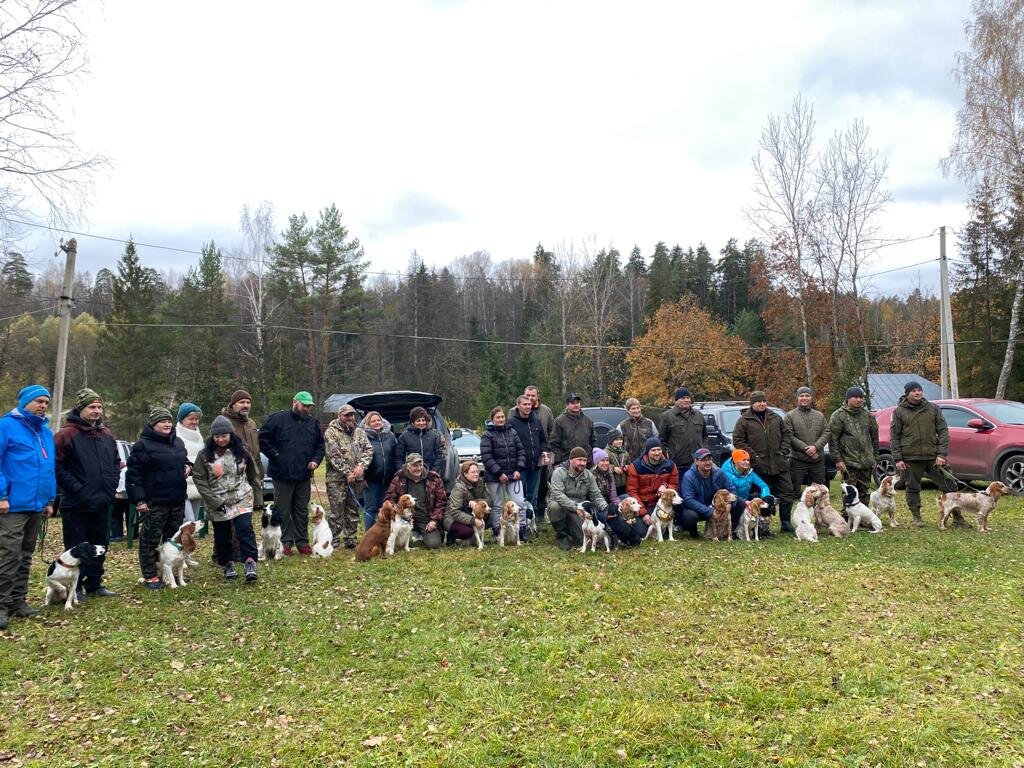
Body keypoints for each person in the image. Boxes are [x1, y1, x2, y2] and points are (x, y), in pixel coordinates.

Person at [55, 388, 120, 599]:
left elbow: (115, 463)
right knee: (76, 547)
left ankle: (95, 583)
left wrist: (110, 487)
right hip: (76, 503)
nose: (97, 411)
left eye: (100, 407)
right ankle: (76, 587)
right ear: (81, 408)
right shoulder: (66, 434)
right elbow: (58, 467)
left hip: (102, 500)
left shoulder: (107, 434)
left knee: (100, 545)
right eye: (92, 407)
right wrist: (77, 488)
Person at [0, 385, 56, 629]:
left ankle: (17, 601)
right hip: (11, 505)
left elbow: (48, 467)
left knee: (25, 554)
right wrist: (1, 495)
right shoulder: (6, 426)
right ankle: (1, 605)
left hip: (37, 504)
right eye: (38, 401)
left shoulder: (45, 432)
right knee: (8, 555)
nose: (43, 406)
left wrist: (50, 499)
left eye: (46, 402)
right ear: (25, 401)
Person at [192, 415, 262, 581]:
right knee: (222, 535)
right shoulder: (205, 455)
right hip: (218, 500)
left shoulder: (242, 450)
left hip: (241, 496)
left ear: (230, 434)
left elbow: (253, 474)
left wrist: (258, 497)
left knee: (245, 529)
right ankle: (227, 564)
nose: (221, 439)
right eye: (217, 436)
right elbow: (199, 478)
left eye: (224, 435)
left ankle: (250, 562)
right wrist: (213, 501)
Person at [126, 407, 191, 589]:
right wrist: (139, 500)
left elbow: (185, 460)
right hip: (154, 503)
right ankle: (150, 575)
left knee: (172, 540)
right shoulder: (142, 445)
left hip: (177, 499)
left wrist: (188, 467)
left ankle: (171, 574)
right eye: (163, 421)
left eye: (169, 421)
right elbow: (134, 475)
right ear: (153, 424)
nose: (167, 424)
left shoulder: (177, 442)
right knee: (150, 541)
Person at [258, 391, 325, 556]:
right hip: (282, 473)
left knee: (301, 509)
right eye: (304, 405)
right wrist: (276, 455)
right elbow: (263, 439)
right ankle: (285, 542)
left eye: (309, 406)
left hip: (303, 474)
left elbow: (320, 446)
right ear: (294, 402)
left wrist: (316, 460)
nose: (307, 409)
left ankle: (302, 541)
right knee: (282, 509)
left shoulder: (313, 424)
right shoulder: (277, 420)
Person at [890, 380, 959, 528]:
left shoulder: (933, 408)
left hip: (933, 456)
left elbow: (943, 431)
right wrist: (898, 458)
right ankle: (916, 518)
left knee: (949, 485)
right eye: (913, 391)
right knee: (913, 487)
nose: (917, 393)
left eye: (919, 390)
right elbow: (895, 436)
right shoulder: (899, 412)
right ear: (907, 394)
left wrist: (941, 454)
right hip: (910, 457)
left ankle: (958, 517)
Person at [732, 391, 795, 533]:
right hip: (759, 465)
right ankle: (763, 526)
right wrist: (754, 457)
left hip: (779, 462)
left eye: (764, 401)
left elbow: (786, 433)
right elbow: (738, 441)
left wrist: (784, 450)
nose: (761, 404)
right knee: (763, 496)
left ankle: (785, 522)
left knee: (787, 493)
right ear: (752, 403)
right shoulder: (744, 420)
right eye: (758, 401)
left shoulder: (775, 417)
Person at [323, 404, 372, 549]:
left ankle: (350, 538)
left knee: (353, 509)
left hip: (357, 478)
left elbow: (369, 450)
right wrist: (347, 472)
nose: (350, 418)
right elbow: (333, 455)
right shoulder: (331, 432)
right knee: (337, 509)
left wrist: (361, 466)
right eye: (346, 415)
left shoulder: (359, 432)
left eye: (351, 415)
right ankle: (334, 538)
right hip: (336, 479)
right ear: (339, 416)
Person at [828, 386, 880, 514]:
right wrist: (837, 459)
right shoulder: (838, 416)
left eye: (861, 397)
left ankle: (863, 516)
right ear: (848, 399)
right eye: (856, 397)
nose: (859, 400)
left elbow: (874, 438)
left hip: (866, 461)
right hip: (848, 461)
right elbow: (833, 439)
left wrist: (875, 457)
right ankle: (847, 515)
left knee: (864, 491)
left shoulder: (867, 416)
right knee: (849, 490)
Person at [546, 446, 607, 551]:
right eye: (579, 460)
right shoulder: (559, 472)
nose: (582, 463)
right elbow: (558, 494)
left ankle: (571, 531)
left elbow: (596, 495)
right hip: (564, 506)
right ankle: (562, 536)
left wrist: (605, 508)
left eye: (584, 460)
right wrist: (575, 507)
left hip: (580, 509)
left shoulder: (588, 475)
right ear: (570, 460)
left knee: (586, 540)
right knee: (553, 507)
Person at [479, 406, 527, 536]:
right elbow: (486, 457)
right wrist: (499, 473)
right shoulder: (487, 435)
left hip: (514, 475)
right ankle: (497, 533)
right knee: (498, 505)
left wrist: (518, 469)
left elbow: (521, 452)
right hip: (495, 478)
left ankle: (521, 531)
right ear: (492, 419)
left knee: (519, 502)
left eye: (502, 417)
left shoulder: (512, 432)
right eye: (497, 417)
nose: (501, 419)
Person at [384, 453, 446, 550]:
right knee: (390, 534)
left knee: (434, 544)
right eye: (414, 466)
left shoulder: (433, 478)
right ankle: (407, 536)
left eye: (420, 465)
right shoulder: (399, 477)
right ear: (408, 466)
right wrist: (396, 510)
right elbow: (389, 498)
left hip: (425, 518)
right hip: (403, 517)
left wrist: (434, 520)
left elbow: (441, 502)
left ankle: (418, 534)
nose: (418, 468)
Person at [679, 448, 739, 539]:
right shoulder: (689, 476)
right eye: (703, 460)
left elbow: (732, 488)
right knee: (689, 516)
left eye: (709, 459)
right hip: (699, 510)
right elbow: (688, 500)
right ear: (696, 461)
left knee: (740, 503)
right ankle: (694, 533)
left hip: (717, 506)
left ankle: (728, 533)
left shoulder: (719, 472)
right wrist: (710, 512)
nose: (708, 463)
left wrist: (729, 505)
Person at [507, 394, 548, 515]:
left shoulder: (536, 421)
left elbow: (543, 441)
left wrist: (544, 450)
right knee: (520, 497)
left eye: (529, 404)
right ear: (518, 406)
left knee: (532, 496)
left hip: (536, 466)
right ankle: (520, 524)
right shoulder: (511, 423)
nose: (527, 407)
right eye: (524, 404)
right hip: (520, 468)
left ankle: (533, 525)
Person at [785, 386, 829, 493]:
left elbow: (827, 433)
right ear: (797, 398)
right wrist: (806, 449)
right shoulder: (789, 416)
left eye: (807, 395)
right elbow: (789, 436)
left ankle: (817, 509)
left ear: (811, 398)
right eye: (801, 396)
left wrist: (815, 447)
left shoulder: (820, 415)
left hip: (817, 459)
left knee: (819, 492)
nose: (804, 398)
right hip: (797, 460)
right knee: (794, 491)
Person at [659, 387, 707, 483]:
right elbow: (662, 440)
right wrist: (667, 458)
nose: (686, 400)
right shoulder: (667, 416)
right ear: (676, 401)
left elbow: (705, 436)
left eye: (688, 398)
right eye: (683, 398)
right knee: (681, 491)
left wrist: (703, 451)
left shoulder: (699, 415)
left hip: (697, 462)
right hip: (678, 463)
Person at [625, 436, 679, 517]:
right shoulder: (636, 466)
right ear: (647, 451)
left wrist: (666, 486)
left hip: (662, 500)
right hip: (644, 503)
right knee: (644, 528)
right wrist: (643, 513)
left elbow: (674, 485)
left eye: (659, 449)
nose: (657, 453)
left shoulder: (670, 465)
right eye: (653, 450)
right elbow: (632, 491)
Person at [720, 449, 772, 531]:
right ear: (735, 461)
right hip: (731, 501)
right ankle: (733, 529)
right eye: (743, 460)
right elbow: (726, 492)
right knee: (740, 504)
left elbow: (764, 486)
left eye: (748, 460)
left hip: (745, 499)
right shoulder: (725, 473)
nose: (747, 462)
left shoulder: (750, 473)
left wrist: (766, 498)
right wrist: (743, 502)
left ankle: (762, 529)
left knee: (765, 500)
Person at [525, 385, 556, 517]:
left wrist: (547, 448)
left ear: (538, 396)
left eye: (533, 395)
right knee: (527, 485)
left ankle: (540, 514)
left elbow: (552, 431)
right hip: (525, 455)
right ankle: (526, 514)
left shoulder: (546, 410)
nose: (530, 398)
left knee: (543, 484)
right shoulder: (514, 411)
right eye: (528, 395)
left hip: (543, 453)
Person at [362, 411, 396, 532]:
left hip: (388, 480)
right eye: (373, 421)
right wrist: (362, 477)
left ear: (382, 422)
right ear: (368, 423)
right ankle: (369, 535)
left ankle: (385, 534)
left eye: (378, 420)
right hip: (370, 480)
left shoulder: (391, 436)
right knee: (370, 509)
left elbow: (396, 455)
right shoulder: (362, 436)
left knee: (386, 508)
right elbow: (358, 458)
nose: (376, 423)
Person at [444, 460, 490, 545]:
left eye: (477, 471)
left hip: (470, 512)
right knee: (467, 532)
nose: (476, 474)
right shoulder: (458, 488)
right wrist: (473, 520)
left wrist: (476, 503)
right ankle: (452, 535)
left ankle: (476, 537)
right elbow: (455, 512)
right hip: (452, 517)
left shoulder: (480, 482)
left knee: (489, 516)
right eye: (473, 472)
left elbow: (489, 499)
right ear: (465, 474)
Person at [220, 390, 262, 480]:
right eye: (241, 402)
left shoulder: (251, 423)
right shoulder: (224, 422)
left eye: (248, 402)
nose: (245, 405)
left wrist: (260, 474)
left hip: (254, 475)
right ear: (233, 405)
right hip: (233, 476)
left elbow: (256, 452)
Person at [176, 402, 205, 524]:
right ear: (182, 419)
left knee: (194, 523)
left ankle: (188, 543)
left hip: (197, 482)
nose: (194, 422)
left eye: (197, 419)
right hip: (181, 484)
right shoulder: (175, 435)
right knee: (188, 521)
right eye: (191, 419)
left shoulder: (199, 436)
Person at [394, 406, 443, 475]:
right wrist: (404, 472)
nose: (421, 423)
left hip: (430, 473)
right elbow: (399, 458)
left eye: (423, 420)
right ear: (413, 422)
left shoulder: (433, 435)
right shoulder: (404, 436)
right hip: (411, 475)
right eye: (418, 420)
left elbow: (439, 455)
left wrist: (434, 470)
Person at [550, 393, 596, 465]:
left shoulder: (588, 421)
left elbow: (593, 441)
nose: (576, 405)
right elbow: (554, 443)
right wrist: (558, 462)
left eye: (577, 403)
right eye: (573, 403)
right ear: (567, 405)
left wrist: (591, 458)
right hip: (567, 462)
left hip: (586, 462)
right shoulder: (560, 421)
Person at [605, 429, 630, 495]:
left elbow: (629, 464)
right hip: (612, 486)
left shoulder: (625, 453)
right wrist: (613, 468)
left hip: (624, 485)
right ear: (611, 441)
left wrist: (627, 467)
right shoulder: (606, 452)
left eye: (621, 439)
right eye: (616, 440)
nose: (619, 441)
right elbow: (602, 466)